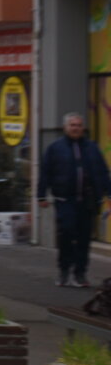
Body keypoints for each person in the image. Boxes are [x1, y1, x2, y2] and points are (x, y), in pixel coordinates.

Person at [38, 113, 111, 287]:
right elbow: (45, 173)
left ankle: (80, 273)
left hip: (87, 200)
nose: (76, 128)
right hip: (65, 199)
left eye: (79, 125)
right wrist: (41, 195)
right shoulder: (55, 148)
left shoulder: (91, 148)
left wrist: (109, 193)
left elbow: (102, 172)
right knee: (67, 233)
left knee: (84, 238)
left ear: (82, 127)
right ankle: (64, 270)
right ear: (66, 128)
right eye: (72, 125)